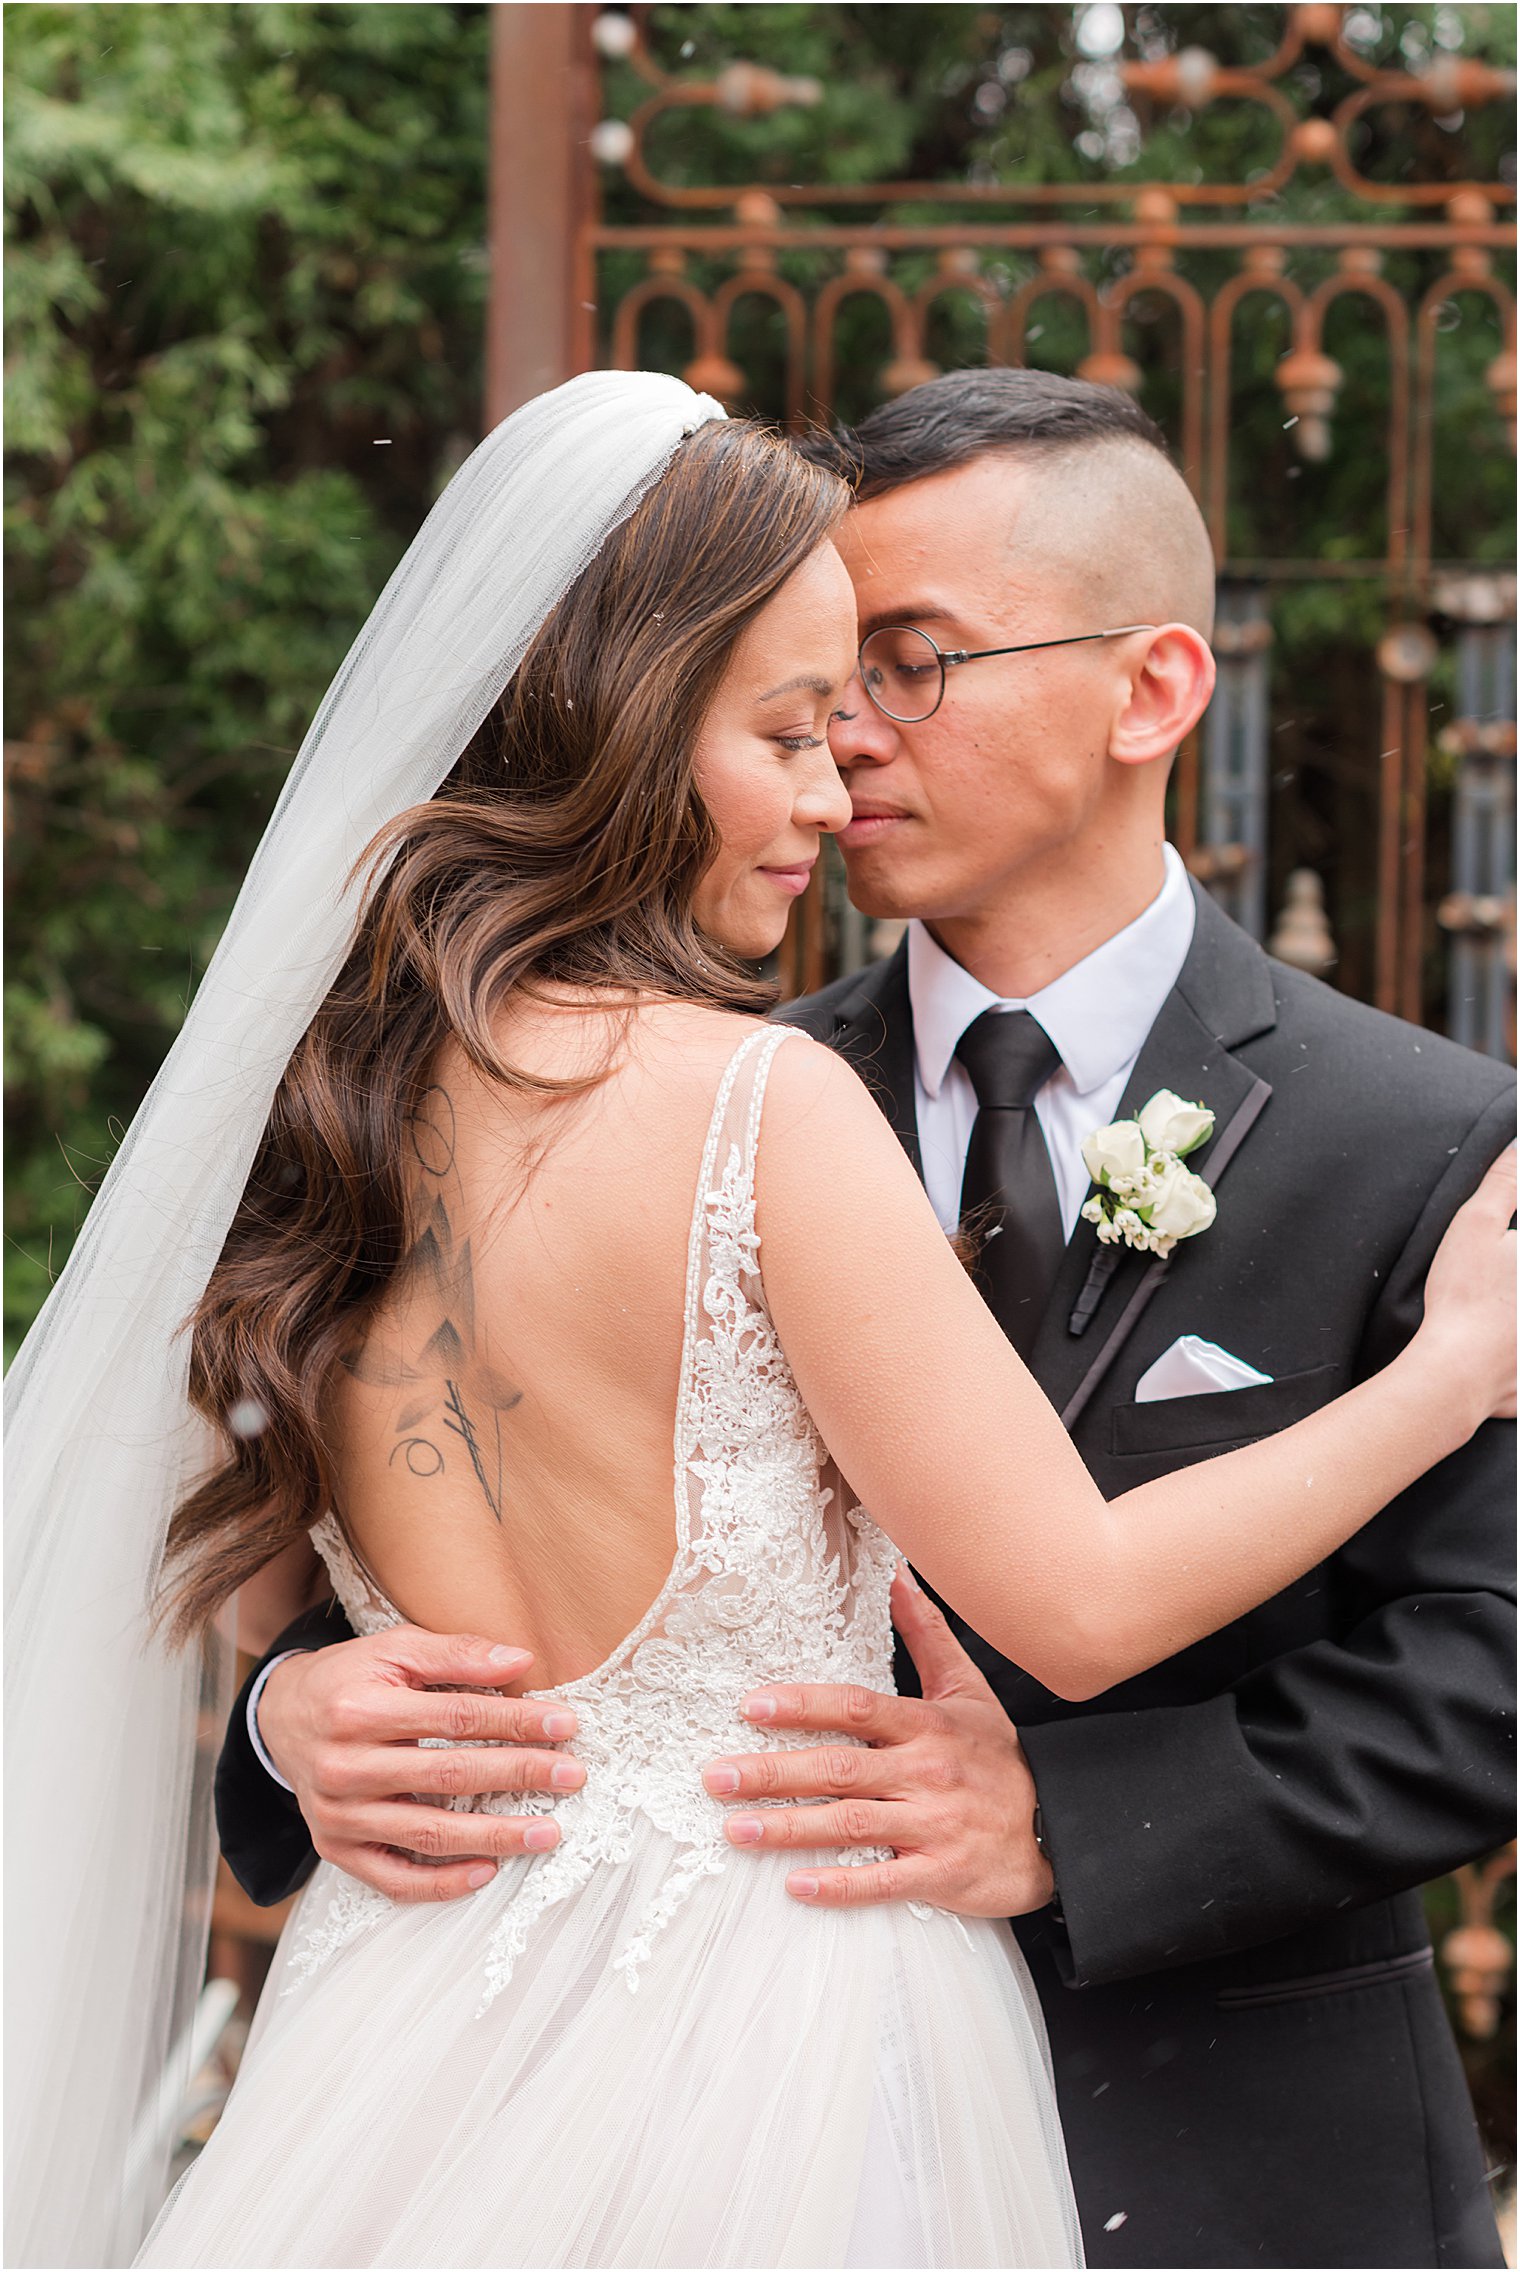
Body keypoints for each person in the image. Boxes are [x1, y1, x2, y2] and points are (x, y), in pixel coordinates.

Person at [15, 371, 1511, 2270]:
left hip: (1238, 2159)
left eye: (911, 666)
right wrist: (292, 1719)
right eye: (814, 704)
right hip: (669, 2101)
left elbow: (1495, 1664)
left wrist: (1082, 1824)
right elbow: (387, 1572)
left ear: (1151, 693)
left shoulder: (1441, 1145)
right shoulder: (753, 1092)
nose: (857, 752)